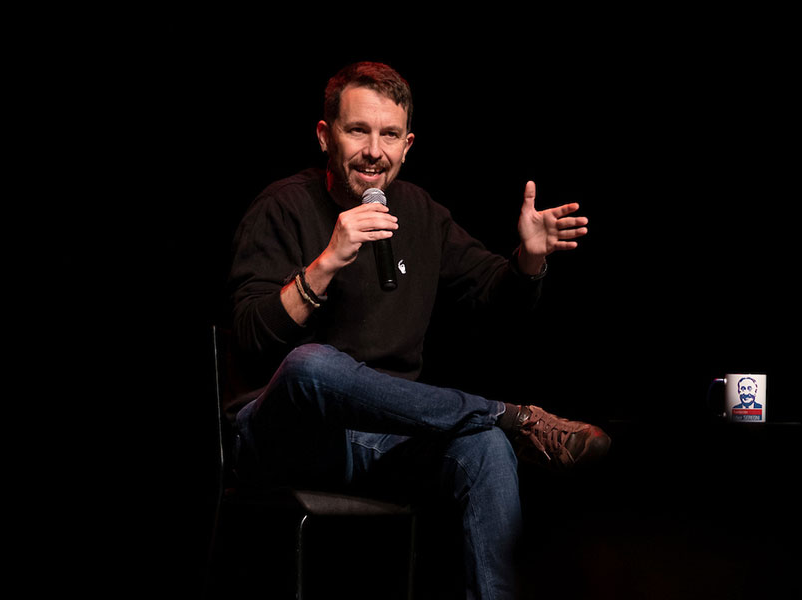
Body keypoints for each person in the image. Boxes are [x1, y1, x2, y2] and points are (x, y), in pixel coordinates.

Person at [225, 61, 611, 600]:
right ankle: (508, 416)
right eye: (357, 130)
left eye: (388, 136)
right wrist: (327, 262)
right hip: (287, 434)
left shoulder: (421, 214)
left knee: (486, 450)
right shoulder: (283, 207)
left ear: (407, 145)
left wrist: (527, 260)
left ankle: (498, 436)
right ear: (325, 135)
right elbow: (247, 336)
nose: (373, 151)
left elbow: (493, 299)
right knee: (310, 362)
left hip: (386, 437)